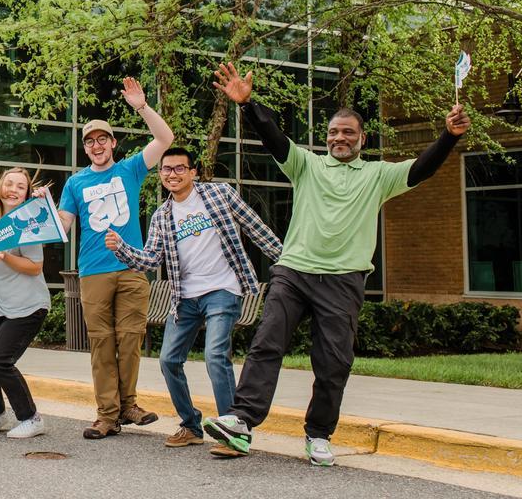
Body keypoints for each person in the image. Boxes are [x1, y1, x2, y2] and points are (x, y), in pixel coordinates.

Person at [202, 62, 471, 466]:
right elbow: (274, 138)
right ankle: (241, 421)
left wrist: (448, 137)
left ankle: (319, 434)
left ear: (362, 138)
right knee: (266, 344)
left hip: (344, 279)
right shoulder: (306, 165)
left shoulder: (378, 175)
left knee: (333, 362)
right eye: (333, 132)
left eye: (347, 132)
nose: (339, 138)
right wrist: (248, 105)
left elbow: (422, 169)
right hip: (294, 271)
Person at [105, 147, 282, 448]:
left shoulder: (219, 195)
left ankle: (233, 431)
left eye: (179, 168)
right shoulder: (162, 215)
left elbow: (255, 227)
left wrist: (286, 260)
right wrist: (121, 247)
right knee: (169, 360)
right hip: (184, 298)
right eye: (166, 170)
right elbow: (150, 260)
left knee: (215, 356)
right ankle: (191, 426)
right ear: (160, 175)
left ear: (193, 172)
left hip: (222, 290)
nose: (172, 174)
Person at [48, 76, 175, 440]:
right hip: (94, 272)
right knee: (102, 344)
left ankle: (128, 405)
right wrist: (45, 209)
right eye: (89, 141)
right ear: (85, 149)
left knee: (130, 338)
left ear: (113, 143)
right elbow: (64, 227)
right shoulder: (75, 183)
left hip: (133, 267)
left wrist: (141, 107)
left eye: (102, 139)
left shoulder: (130, 169)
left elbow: (165, 140)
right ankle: (107, 415)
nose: (96, 145)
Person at [0, 168, 51, 439]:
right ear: (0, 189)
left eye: (20, 187)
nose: (13, 189)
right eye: (9, 184)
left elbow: (36, 267)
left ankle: (31, 418)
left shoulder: (27, 223)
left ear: (27, 194)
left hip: (28, 306)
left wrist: (7, 257)